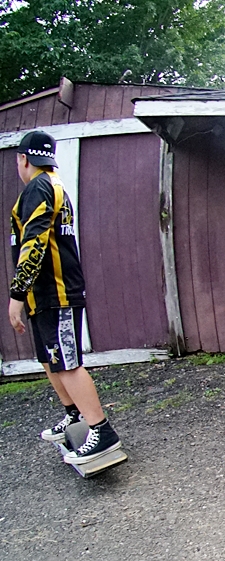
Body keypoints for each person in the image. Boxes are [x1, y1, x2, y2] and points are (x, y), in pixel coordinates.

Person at [7, 130, 121, 464]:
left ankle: (101, 431)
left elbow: (35, 242)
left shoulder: (39, 188)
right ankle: (74, 414)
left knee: (66, 363)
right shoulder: (52, 186)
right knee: (49, 359)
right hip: (43, 295)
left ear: (23, 159)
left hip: (56, 292)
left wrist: (17, 293)